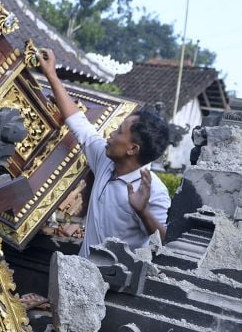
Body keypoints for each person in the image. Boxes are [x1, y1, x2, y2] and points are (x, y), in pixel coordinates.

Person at [38, 48, 171, 257]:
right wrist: (51, 75)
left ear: (132, 149)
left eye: (119, 132)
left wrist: (142, 212)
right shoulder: (105, 160)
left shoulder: (154, 191)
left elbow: (165, 241)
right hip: (78, 273)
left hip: (114, 285)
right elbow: (80, 124)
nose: (110, 134)